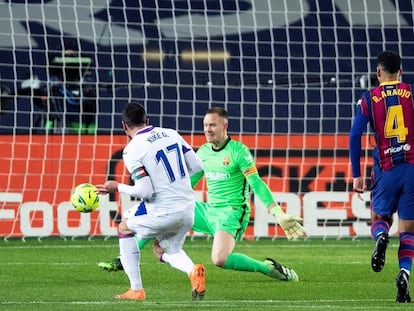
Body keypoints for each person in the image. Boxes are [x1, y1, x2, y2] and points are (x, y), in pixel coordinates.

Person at [100, 107, 305, 283]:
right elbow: (190, 182)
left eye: (213, 125)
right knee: (158, 210)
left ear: (225, 126)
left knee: (220, 259)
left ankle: (268, 268)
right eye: (205, 125)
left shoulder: (238, 152)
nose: (207, 129)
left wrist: (278, 213)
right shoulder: (204, 152)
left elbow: (257, 183)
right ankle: (123, 258)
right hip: (206, 210)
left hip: (230, 213)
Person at [96, 102, 206, 301]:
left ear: (124, 126)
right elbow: (198, 167)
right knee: (162, 250)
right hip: (188, 209)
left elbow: (145, 191)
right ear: (147, 121)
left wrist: (116, 187)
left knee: (124, 227)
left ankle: (136, 290)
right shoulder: (171, 133)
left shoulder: (132, 150)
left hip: (163, 211)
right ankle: (192, 270)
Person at [349, 50, 414, 303]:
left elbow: (355, 135)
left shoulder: (369, 98)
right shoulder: (411, 92)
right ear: (401, 72)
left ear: (378, 73)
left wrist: (356, 175)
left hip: (386, 169)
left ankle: (380, 236)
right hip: (411, 168)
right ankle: (405, 274)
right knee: (409, 231)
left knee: (379, 217)